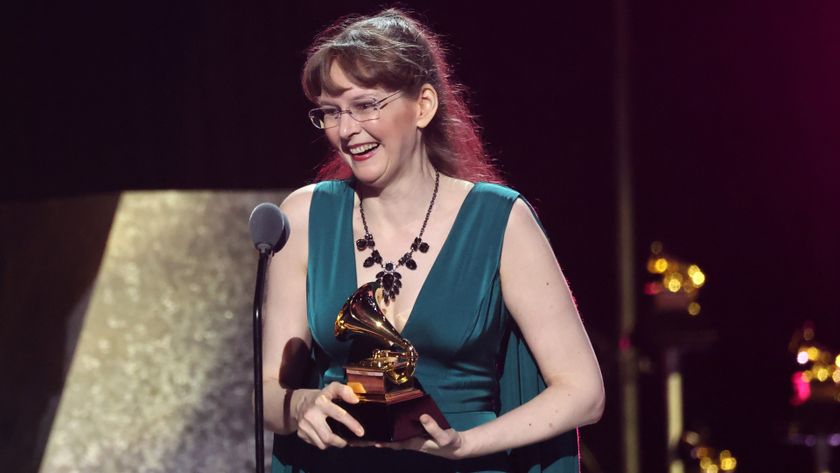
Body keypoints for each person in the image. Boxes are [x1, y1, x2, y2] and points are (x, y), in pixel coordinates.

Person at [261, 8, 604, 473]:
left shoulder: (500, 220)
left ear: (423, 105)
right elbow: (266, 388)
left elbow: (583, 392)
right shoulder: (302, 217)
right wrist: (301, 404)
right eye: (331, 112)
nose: (345, 130)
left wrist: (463, 444)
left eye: (365, 105)